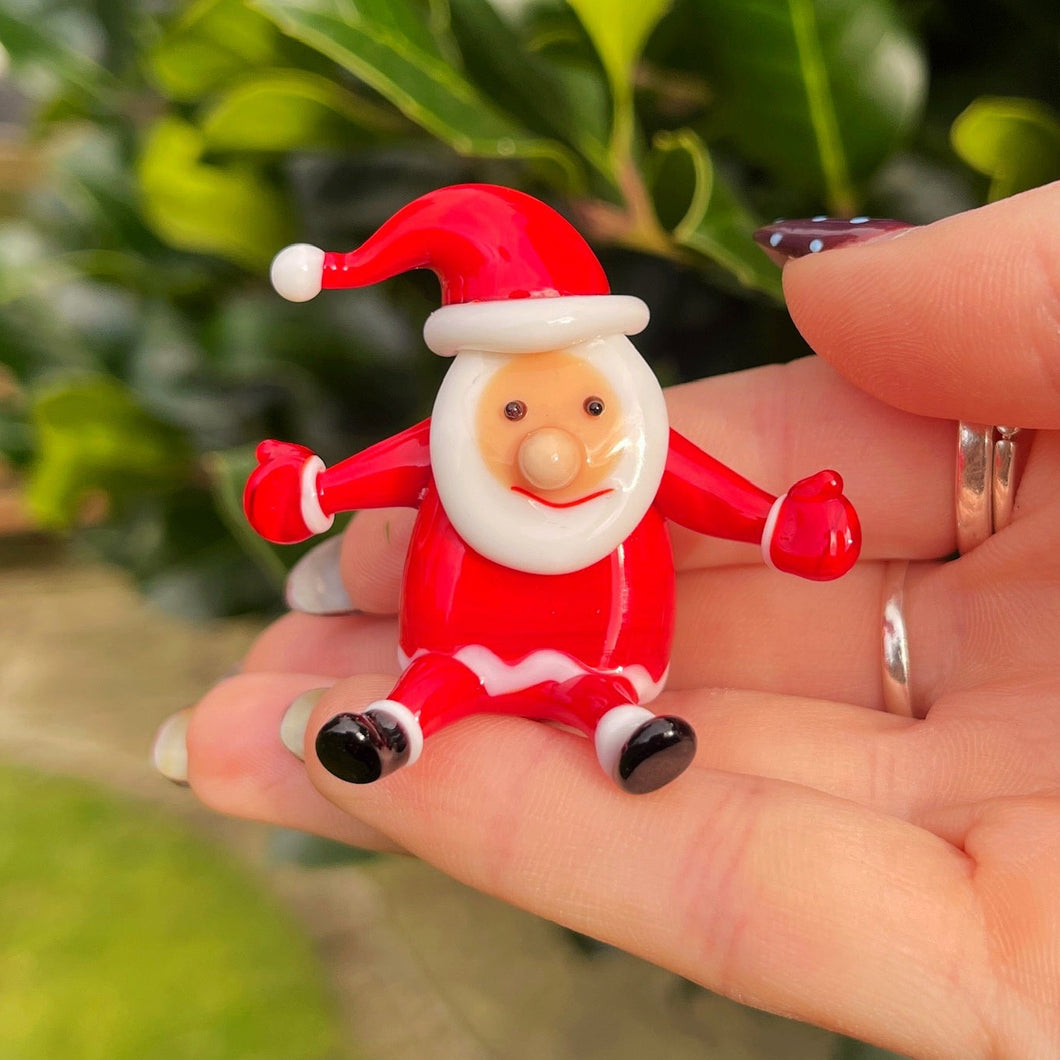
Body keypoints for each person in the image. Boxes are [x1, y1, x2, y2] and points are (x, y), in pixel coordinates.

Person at [153, 181, 1060, 1057]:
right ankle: (392, 728)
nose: (549, 452)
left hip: (607, 638)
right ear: (478, 400)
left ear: (613, 391)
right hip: (459, 625)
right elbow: (366, 477)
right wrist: (312, 492)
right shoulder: (445, 449)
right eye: (513, 413)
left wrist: (782, 523)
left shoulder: (642, 455)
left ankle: (625, 731)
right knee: (442, 675)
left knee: (593, 687)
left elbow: (711, 494)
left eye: (587, 409)